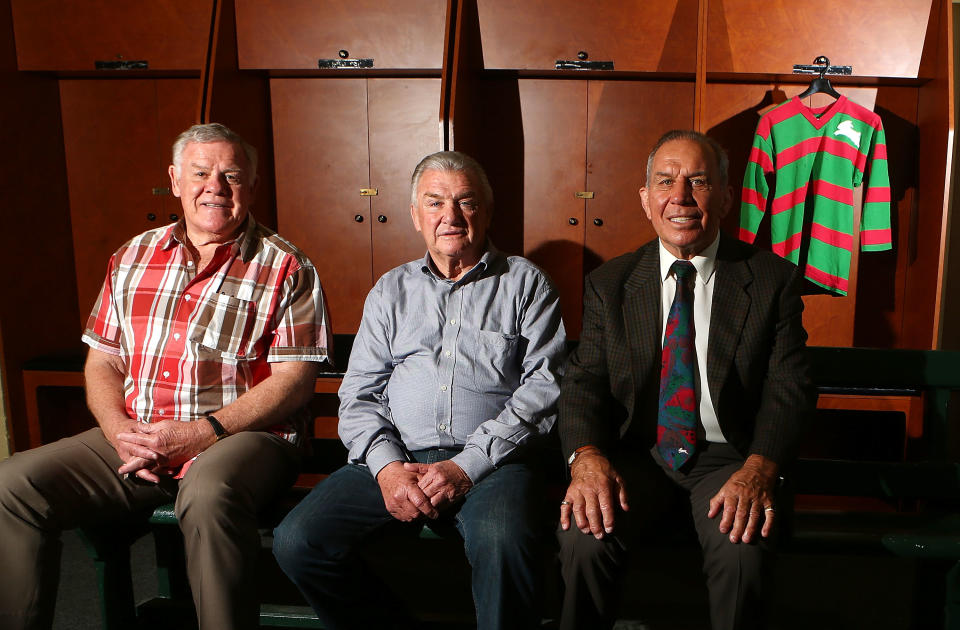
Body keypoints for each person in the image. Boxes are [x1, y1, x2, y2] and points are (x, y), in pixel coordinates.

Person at [0, 123, 331, 630]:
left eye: (231, 176)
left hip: (242, 437)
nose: (214, 187)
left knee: (208, 494)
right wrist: (118, 432)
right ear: (175, 180)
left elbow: (294, 381)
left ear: (252, 186)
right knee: (13, 484)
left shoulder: (287, 266)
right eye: (200, 173)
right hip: (137, 434)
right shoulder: (131, 256)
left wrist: (201, 432)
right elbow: (104, 361)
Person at [273, 151, 566, 630]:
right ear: (415, 216)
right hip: (398, 457)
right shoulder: (391, 291)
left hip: (494, 463)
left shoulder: (526, 284)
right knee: (298, 541)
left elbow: (543, 389)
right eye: (434, 203)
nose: (450, 217)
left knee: (503, 539)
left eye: (465, 202)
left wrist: (464, 467)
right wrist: (387, 469)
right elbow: (359, 394)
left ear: (487, 212)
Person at [556, 130, 815, 630]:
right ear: (645, 200)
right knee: (582, 538)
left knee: (743, 551)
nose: (680, 197)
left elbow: (790, 389)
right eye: (665, 181)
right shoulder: (610, 284)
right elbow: (583, 383)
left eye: (697, 181)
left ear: (724, 195)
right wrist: (586, 459)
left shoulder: (770, 280)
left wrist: (761, 468)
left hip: (729, 459)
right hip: (637, 457)